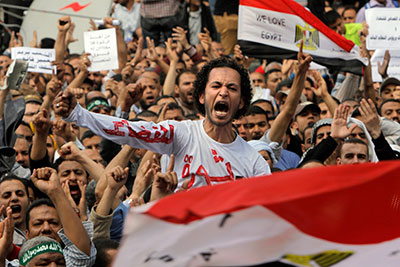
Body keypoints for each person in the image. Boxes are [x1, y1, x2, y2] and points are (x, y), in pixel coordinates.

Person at [54, 57, 270, 190]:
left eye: (232, 88)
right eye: (216, 86)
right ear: (202, 97)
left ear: (241, 102)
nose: (223, 91)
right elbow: (129, 131)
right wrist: (78, 114)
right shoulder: (180, 133)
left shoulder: (255, 163)